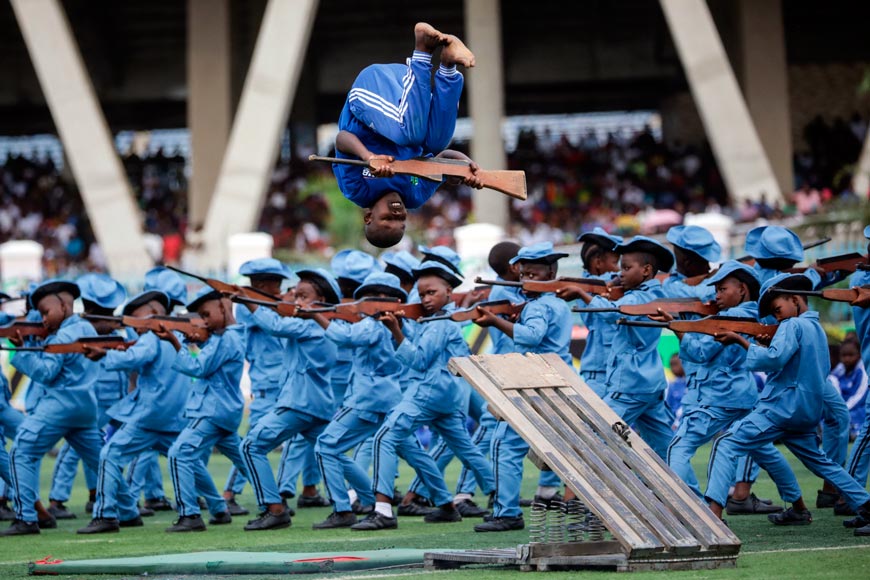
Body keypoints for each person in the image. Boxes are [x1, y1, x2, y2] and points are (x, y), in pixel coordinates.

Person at [707, 273, 870, 533]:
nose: (776, 317)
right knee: (823, 464)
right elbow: (804, 366)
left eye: (777, 309)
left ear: (794, 299)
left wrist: (741, 341)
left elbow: (773, 361)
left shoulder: (791, 326)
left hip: (780, 409)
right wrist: (770, 344)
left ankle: (712, 516)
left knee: (725, 443)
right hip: (805, 412)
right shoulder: (815, 328)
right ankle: (865, 504)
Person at [353, 261, 494, 530]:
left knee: (384, 437)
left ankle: (382, 510)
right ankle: (472, 500)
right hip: (447, 395)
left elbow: (418, 360)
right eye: (422, 294)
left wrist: (395, 330)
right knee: (466, 449)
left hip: (428, 392)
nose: (426, 299)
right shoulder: (440, 318)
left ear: (449, 292)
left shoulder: (441, 322)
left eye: (432, 293)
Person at [332, 22, 482, 248]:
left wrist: (367, 157)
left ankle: (422, 49)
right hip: (410, 93)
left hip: (372, 88)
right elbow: (442, 158)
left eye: (387, 218)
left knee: (408, 137)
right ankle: (448, 65)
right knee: (436, 142)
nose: (397, 213)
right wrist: (467, 167)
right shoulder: (415, 196)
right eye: (401, 220)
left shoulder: (357, 190)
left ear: (368, 217)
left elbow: (341, 139)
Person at [473, 242, 573, 532]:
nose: (527, 280)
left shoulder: (540, 306)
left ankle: (507, 512)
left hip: (532, 384)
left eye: (535, 274)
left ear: (552, 272)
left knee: (504, 444)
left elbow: (530, 336)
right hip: (554, 382)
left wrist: (495, 320)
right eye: (524, 274)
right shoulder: (555, 303)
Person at [75, 290, 193, 534]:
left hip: (150, 414)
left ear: (153, 314)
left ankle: (106, 514)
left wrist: (106, 354)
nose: (136, 328)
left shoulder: (151, 338)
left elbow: (135, 357)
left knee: (109, 454)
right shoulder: (176, 335)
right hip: (173, 416)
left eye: (137, 321)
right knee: (186, 460)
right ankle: (214, 508)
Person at [238, 269, 340, 531]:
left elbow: (274, 325)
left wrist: (249, 300)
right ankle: (356, 505)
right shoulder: (324, 324)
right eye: (296, 295)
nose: (296, 300)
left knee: (250, 446)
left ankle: (275, 508)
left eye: (303, 296)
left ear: (322, 301)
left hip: (299, 403)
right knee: (333, 453)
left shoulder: (309, 325)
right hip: (315, 404)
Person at [2, 280, 101, 536]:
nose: (44, 320)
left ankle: (27, 517)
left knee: (21, 451)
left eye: (46, 312)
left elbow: (47, 372)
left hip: (60, 404)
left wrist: (21, 351)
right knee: (102, 461)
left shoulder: (64, 335)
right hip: (85, 407)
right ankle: (125, 510)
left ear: (63, 305)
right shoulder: (85, 326)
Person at [311, 272, 405, 529]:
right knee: (413, 452)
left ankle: (343, 509)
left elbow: (346, 338)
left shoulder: (372, 324)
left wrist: (316, 315)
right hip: (385, 395)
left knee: (326, 446)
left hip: (366, 397)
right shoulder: (390, 323)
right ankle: (376, 502)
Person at [571, 236, 676, 460]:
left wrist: (582, 294)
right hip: (649, 383)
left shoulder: (639, 297)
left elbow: (609, 313)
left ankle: (592, 494)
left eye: (627, 268)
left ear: (646, 270)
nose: (621, 274)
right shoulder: (651, 293)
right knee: (665, 448)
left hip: (630, 385)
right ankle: (690, 494)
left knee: (595, 433)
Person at [155, 287, 248, 532]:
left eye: (207, 314)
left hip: (212, 410)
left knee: (179, 453)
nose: (204, 321)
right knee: (248, 456)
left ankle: (190, 515)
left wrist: (176, 341)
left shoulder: (226, 337)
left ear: (223, 308)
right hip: (222, 410)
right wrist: (195, 342)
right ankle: (223, 507)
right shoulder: (226, 337)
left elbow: (199, 369)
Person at [47, 273, 128, 520]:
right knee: (75, 448)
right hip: (93, 396)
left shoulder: (114, 326)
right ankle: (57, 500)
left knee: (101, 448)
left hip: (117, 395)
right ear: (91, 305)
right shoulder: (77, 328)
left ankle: (97, 494)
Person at [662, 225, 720, 301]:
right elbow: (700, 296)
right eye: (704, 263)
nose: (709, 267)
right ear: (688, 263)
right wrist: (717, 279)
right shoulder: (670, 286)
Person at [829, 338, 867, 441]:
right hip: (843, 408)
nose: (847, 359)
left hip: (857, 408)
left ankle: (855, 431)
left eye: (851, 355)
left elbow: (860, 396)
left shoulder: (863, 370)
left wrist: (843, 409)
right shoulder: (839, 370)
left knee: (857, 413)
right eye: (844, 355)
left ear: (859, 354)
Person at [665, 353, 687, 430]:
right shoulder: (672, 385)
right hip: (673, 425)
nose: (673, 368)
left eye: (675, 364)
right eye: (671, 365)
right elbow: (668, 405)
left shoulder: (692, 383)